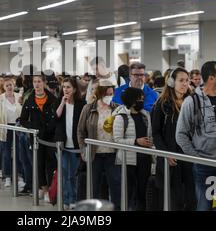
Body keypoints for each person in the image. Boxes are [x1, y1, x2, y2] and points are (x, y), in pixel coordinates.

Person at [176, 61, 216, 211]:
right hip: (205, 165)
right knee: (206, 205)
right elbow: (181, 134)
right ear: (211, 78)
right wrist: (196, 157)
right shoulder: (192, 102)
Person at [151, 67, 196, 211]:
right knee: (174, 198)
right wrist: (165, 153)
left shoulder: (193, 102)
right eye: (181, 80)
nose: (185, 84)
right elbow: (156, 133)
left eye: (187, 81)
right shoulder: (162, 105)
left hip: (189, 155)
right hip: (171, 155)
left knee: (191, 197)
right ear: (171, 82)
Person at [77, 79, 121, 210]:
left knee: (115, 185)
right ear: (100, 93)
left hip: (112, 154)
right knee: (94, 186)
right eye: (107, 94)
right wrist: (83, 150)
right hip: (94, 154)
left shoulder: (117, 108)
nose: (109, 97)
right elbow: (80, 131)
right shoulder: (88, 108)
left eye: (111, 94)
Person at [113, 87, 152, 211]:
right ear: (132, 101)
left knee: (143, 191)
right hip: (128, 161)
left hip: (145, 159)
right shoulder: (120, 117)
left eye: (142, 99)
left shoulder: (146, 116)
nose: (142, 101)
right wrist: (136, 141)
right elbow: (117, 140)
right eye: (139, 99)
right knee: (128, 192)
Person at [20, 73, 58, 202]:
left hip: (50, 137)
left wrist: (49, 128)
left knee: (51, 163)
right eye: (35, 82)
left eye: (39, 81)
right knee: (39, 163)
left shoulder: (53, 99)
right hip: (36, 137)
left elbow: (56, 117)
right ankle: (44, 188)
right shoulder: (29, 100)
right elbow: (23, 119)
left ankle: (50, 189)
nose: (36, 84)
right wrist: (33, 127)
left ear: (44, 83)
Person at [55, 77, 86, 210]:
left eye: (68, 87)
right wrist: (62, 103)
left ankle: (73, 199)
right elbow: (55, 118)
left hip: (75, 145)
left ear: (74, 89)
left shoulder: (81, 103)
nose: (65, 90)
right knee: (64, 174)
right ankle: (66, 199)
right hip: (62, 144)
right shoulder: (59, 101)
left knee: (73, 175)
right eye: (64, 87)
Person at [0, 77, 22, 188]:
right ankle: (7, 177)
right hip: (5, 127)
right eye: (7, 85)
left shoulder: (19, 96)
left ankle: (20, 176)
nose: (9, 87)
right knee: (6, 153)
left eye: (11, 85)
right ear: (4, 87)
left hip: (18, 127)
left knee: (19, 153)